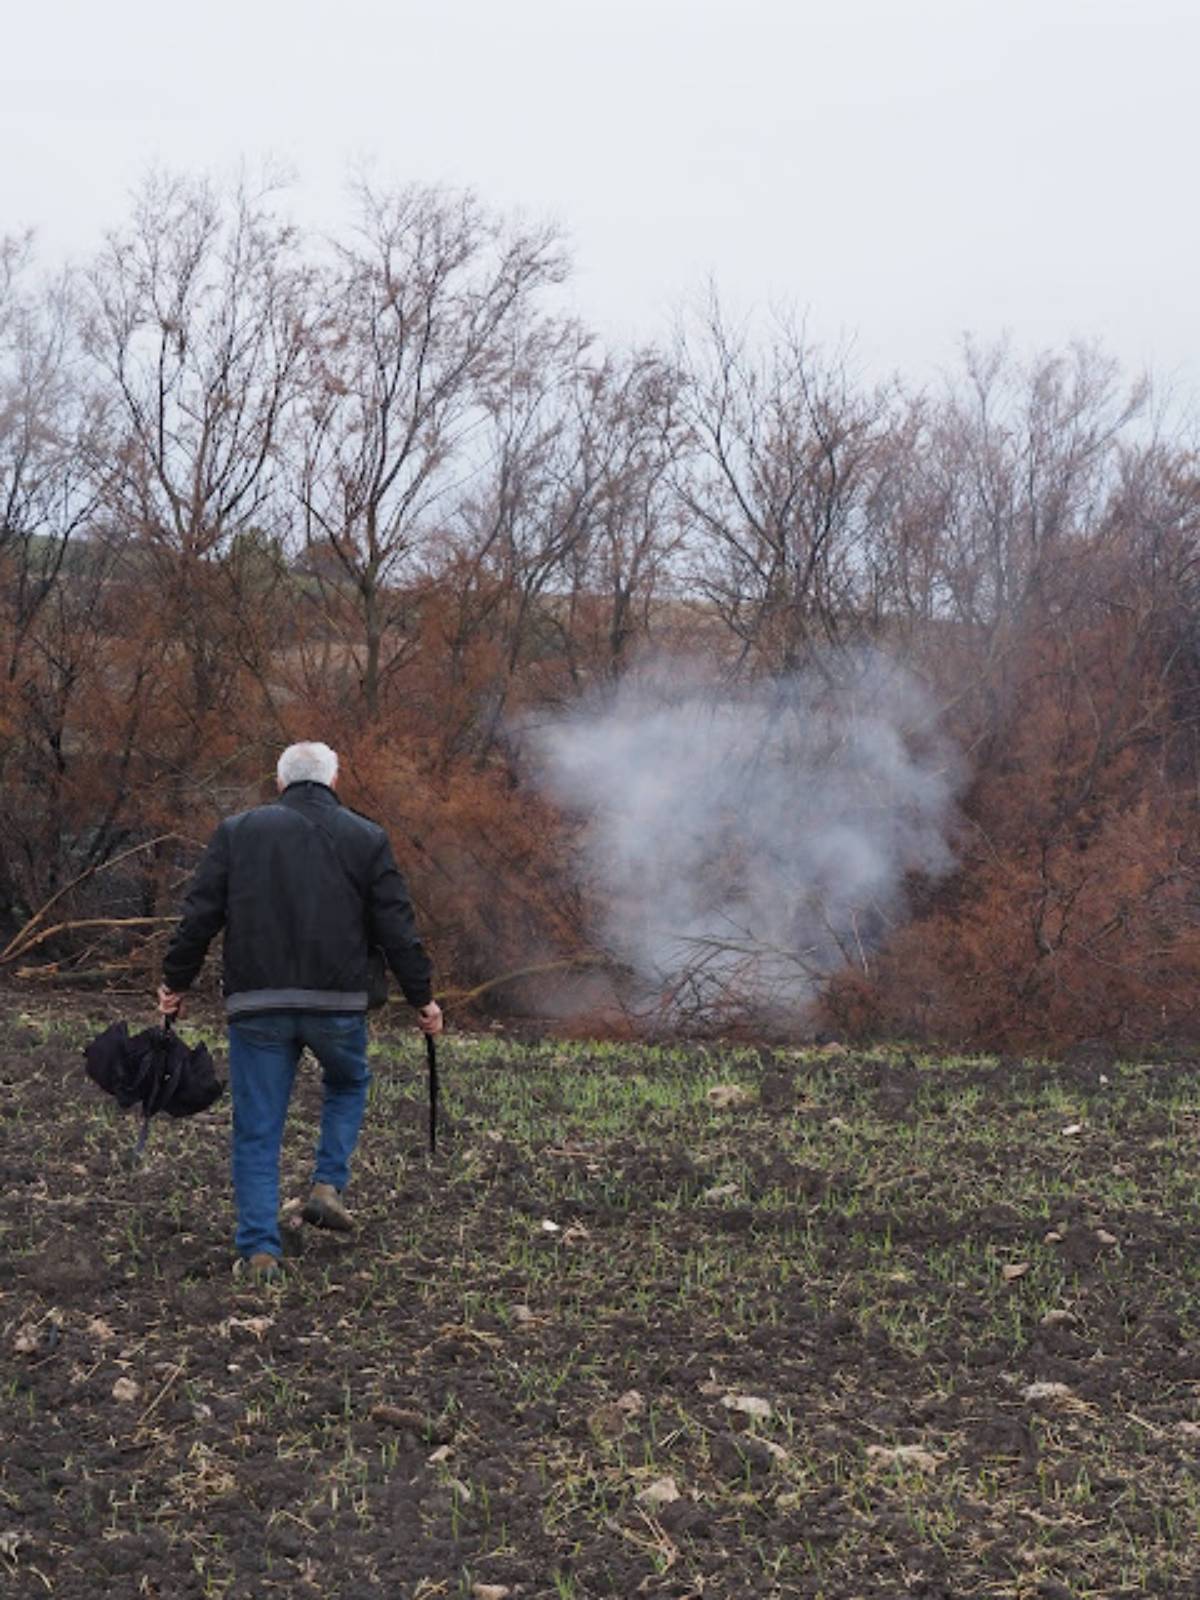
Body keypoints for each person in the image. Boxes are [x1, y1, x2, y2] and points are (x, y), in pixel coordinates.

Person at [157, 741, 442, 1278]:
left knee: (258, 1127)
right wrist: (421, 998)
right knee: (349, 1081)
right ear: (334, 783)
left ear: (280, 784)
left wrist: (175, 982)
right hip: (337, 1003)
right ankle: (327, 1183)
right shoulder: (367, 837)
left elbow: (199, 916)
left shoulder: (237, 833)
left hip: (257, 1004)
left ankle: (260, 1250)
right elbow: (397, 929)